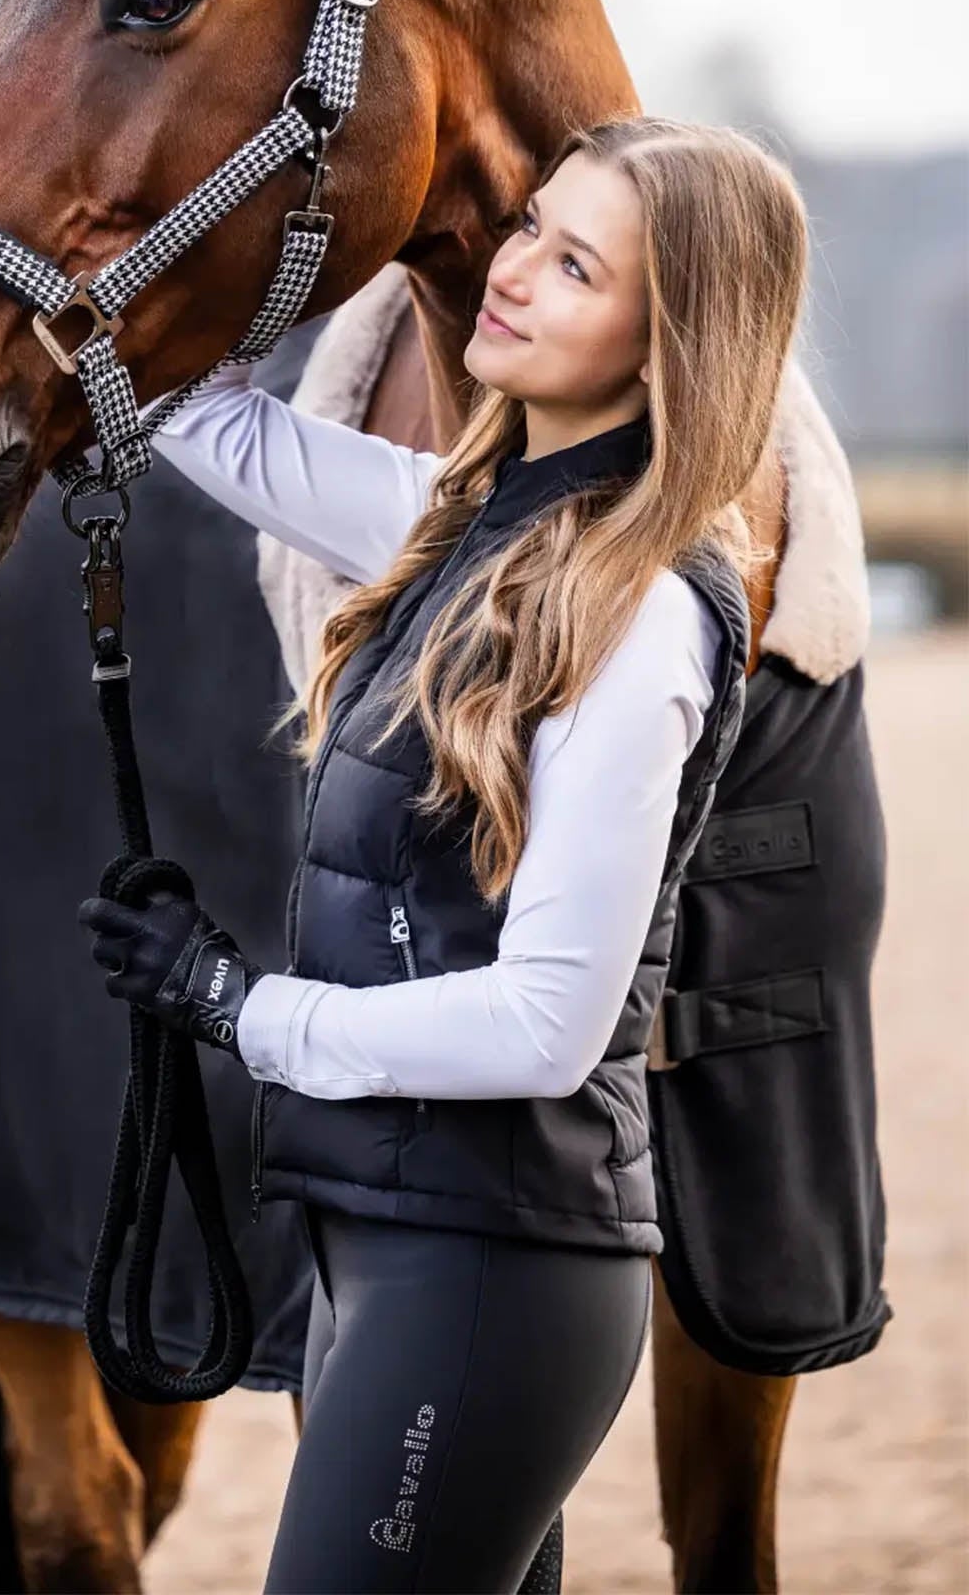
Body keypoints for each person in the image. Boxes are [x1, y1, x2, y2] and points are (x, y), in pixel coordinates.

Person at [79, 115, 810, 1595]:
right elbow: (195, 412)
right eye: (533, 225)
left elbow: (548, 1024)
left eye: (578, 263)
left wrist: (239, 1007)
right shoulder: (460, 524)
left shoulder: (642, 617)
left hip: (495, 1267)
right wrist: (241, 201)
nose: (516, 271)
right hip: (392, 1244)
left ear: (671, 343)